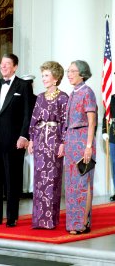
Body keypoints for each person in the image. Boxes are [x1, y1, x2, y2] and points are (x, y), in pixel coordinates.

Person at [0, 53, 33, 227]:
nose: (3, 66)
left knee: (12, 179)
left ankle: (12, 217)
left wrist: (24, 136)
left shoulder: (23, 86)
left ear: (15, 66)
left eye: (7, 64)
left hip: (14, 140)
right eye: (1, 64)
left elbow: (27, 114)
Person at [28, 61, 68, 229]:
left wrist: (64, 143)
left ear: (56, 78)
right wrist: (31, 140)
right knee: (38, 181)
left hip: (54, 142)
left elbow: (66, 122)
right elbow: (33, 120)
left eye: (46, 75)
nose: (43, 79)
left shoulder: (63, 97)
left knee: (52, 181)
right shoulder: (39, 97)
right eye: (43, 75)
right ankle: (38, 220)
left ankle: (50, 220)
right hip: (39, 142)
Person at [64, 60, 97, 235]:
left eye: (72, 71)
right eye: (68, 71)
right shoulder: (72, 93)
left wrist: (89, 147)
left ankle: (83, 223)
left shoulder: (88, 92)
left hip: (83, 141)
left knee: (83, 183)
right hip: (71, 141)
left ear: (82, 74)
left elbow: (92, 122)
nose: (69, 74)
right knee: (71, 185)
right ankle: (73, 222)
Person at [20, 74, 37, 199]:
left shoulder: (37, 99)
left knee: (32, 163)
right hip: (20, 136)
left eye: (29, 84)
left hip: (33, 136)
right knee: (21, 164)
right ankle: (22, 188)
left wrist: (31, 137)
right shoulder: (17, 98)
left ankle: (32, 189)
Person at [102, 97, 115, 201]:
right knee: (114, 163)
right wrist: (104, 131)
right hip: (114, 133)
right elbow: (105, 115)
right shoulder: (111, 98)